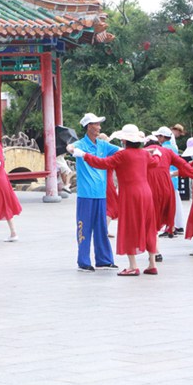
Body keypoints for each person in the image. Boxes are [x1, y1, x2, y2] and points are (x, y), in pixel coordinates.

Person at [72, 125, 160, 276]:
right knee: (148, 226)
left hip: (130, 194)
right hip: (146, 193)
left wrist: (84, 155)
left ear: (124, 140)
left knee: (129, 226)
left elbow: (102, 163)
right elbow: (155, 162)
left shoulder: (122, 156)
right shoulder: (144, 155)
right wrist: (158, 154)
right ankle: (152, 263)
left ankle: (133, 266)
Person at [66, 113, 119, 273]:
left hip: (101, 194)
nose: (100, 127)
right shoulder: (80, 145)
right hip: (86, 195)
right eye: (97, 124)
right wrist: (72, 149)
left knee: (101, 227)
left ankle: (104, 260)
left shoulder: (103, 145)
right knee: (84, 227)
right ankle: (83, 261)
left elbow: (123, 151)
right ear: (89, 126)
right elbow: (70, 148)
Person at [144, 135, 193, 247]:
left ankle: (154, 250)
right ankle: (158, 243)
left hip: (148, 187)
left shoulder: (142, 152)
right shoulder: (168, 152)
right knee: (162, 215)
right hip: (166, 188)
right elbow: (183, 164)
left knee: (150, 219)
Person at [170, 123, 187, 232]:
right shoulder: (172, 142)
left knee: (174, 201)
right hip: (173, 173)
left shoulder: (171, 144)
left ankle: (175, 224)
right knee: (176, 201)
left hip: (172, 173)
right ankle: (177, 223)